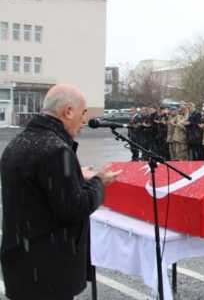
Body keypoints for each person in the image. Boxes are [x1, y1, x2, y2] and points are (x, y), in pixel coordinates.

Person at [0, 84, 121, 300]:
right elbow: (75, 208)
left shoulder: (20, 142)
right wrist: (99, 183)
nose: (84, 121)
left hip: (22, 264)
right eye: (83, 113)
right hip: (48, 271)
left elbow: (38, 188)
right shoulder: (55, 149)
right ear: (68, 111)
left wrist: (75, 176)